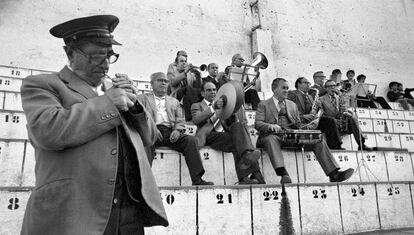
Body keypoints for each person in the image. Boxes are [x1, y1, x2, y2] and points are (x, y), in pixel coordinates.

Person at [20, 15, 168, 235]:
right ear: (69, 53)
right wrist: (110, 103)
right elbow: (47, 130)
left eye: (110, 55)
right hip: (75, 214)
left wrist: (135, 104)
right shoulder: (42, 85)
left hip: (129, 212)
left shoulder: (117, 90)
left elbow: (151, 137)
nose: (106, 63)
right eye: (97, 55)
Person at [255, 78, 354, 184]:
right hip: (272, 136)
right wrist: (270, 126)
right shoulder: (263, 104)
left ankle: (334, 174)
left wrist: (309, 126)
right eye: (283, 88)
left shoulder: (292, 105)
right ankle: (283, 173)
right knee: (271, 139)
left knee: (318, 139)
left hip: (291, 136)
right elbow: (258, 124)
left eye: (287, 88)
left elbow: (298, 124)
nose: (286, 90)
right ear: (274, 89)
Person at [138, 72, 213, 186]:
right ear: (152, 83)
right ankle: (142, 182)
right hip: (151, 131)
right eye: (160, 80)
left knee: (190, 141)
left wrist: (177, 130)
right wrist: (152, 128)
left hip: (170, 132)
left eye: (165, 81)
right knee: (145, 142)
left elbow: (180, 119)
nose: (163, 82)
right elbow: (140, 117)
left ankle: (197, 179)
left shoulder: (174, 101)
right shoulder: (142, 98)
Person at [191, 81, 265, 184]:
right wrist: (213, 108)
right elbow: (196, 119)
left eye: (214, 90)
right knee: (241, 142)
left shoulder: (225, 105)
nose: (212, 92)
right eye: (208, 90)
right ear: (202, 93)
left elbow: (231, 123)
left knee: (239, 129)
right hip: (209, 135)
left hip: (224, 135)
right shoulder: (197, 105)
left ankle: (246, 160)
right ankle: (255, 174)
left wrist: (232, 110)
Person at [315, 80, 372, 150]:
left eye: (334, 86)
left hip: (341, 122)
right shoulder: (321, 99)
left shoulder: (340, 97)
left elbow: (344, 109)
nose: (333, 88)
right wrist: (333, 119)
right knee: (332, 121)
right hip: (331, 123)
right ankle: (337, 145)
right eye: (330, 86)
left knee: (352, 117)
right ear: (326, 88)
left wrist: (346, 113)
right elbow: (321, 114)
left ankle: (361, 144)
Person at [288, 77, 343, 149]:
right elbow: (290, 108)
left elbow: (314, 108)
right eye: (306, 83)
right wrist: (303, 116)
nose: (308, 85)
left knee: (329, 121)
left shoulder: (310, 96)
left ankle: (335, 145)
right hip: (300, 122)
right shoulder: (292, 94)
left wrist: (318, 109)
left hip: (311, 122)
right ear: (299, 84)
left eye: (309, 83)